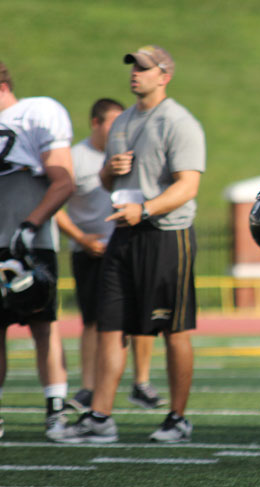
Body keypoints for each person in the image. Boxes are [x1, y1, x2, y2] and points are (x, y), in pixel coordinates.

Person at [52, 45, 205, 443]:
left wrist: (147, 209)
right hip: (124, 233)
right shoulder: (120, 122)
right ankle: (99, 417)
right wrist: (108, 171)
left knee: (173, 329)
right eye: (132, 67)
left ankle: (178, 418)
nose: (134, 73)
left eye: (143, 67)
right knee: (110, 324)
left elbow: (188, 185)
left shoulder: (178, 121)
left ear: (164, 75)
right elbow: (109, 183)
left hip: (166, 234)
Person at [55, 98, 166, 413]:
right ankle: (89, 387)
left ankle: (141, 383)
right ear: (95, 123)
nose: (120, 128)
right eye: (112, 122)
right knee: (93, 321)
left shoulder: (131, 152)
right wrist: (80, 238)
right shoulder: (75, 157)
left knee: (143, 317)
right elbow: (54, 204)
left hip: (130, 245)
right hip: (90, 250)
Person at [0, 61, 74, 440]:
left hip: (28, 242)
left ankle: (55, 413)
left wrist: (29, 227)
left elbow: (63, 181)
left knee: (43, 326)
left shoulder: (36, 112)